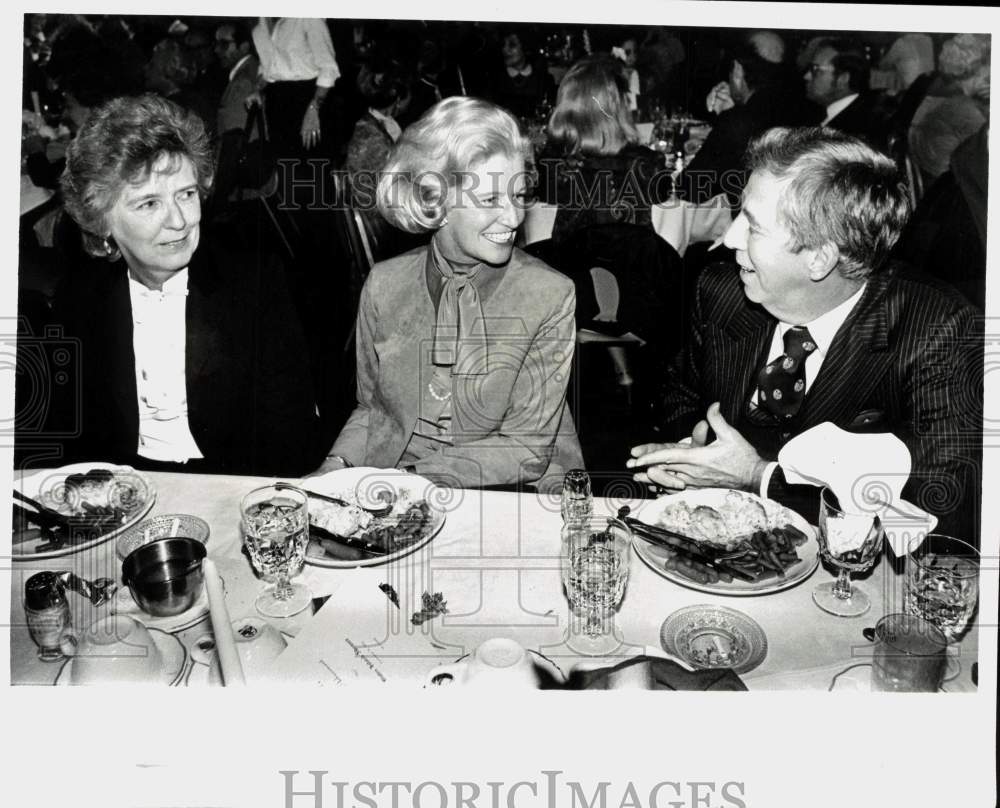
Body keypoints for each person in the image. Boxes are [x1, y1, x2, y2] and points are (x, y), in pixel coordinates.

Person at [628, 126, 981, 542]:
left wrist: (756, 477)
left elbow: (941, 512)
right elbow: (682, 392)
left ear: (819, 258)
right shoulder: (721, 290)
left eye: (754, 227)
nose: (729, 237)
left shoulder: (938, 330)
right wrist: (692, 451)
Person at [50, 94, 323, 476]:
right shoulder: (79, 299)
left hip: (231, 485)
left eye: (187, 194)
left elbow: (290, 432)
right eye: (148, 204)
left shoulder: (253, 281)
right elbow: (68, 439)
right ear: (101, 220)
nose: (178, 221)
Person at [318, 97, 583, 489]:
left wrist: (409, 481)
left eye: (519, 194)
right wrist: (335, 466)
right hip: (395, 485)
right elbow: (373, 410)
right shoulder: (384, 285)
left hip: (511, 489)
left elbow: (525, 448)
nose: (513, 218)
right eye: (491, 199)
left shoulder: (548, 296)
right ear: (434, 201)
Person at [680, 36, 820, 205]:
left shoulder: (738, 121)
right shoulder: (805, 110)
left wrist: (726, 117)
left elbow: (688, 188)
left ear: (738, 70)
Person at [251, 17, 340, 159]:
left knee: (312, 166)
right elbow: (267, 69)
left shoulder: (307, 17)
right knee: (284, 164)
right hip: (277, 101)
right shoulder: (258, 27)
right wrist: (258, 89)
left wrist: (314, 109)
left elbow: (328, 68)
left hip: (309, 98)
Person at [804, 37, 894, 152]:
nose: (806, 76)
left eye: (816, 70)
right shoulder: (857, 110)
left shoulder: (848, 135)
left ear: (843, 79)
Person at [487, 26, 555, 121]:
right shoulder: (494, 80)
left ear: (525, 47)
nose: (505, 50)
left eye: (512, 45)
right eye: (503, 45)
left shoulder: (544, 79)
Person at [214, 19, 259, 136]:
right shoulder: (248, 72)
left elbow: (235, 134)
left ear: (244, 47)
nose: (217, 50)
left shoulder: (244, 80)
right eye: (216, 44)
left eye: (224, 45)